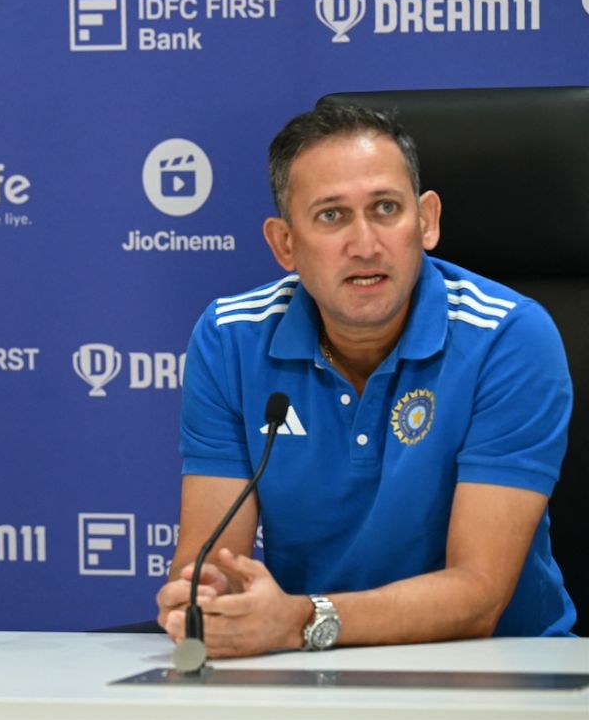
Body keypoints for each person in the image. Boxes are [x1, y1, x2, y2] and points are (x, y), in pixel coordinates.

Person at [156, 102, 576, 656]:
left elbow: (479, 595)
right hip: (309, 668)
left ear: (425, 221)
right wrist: (210, 597)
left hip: (503, 671)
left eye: (385, 208)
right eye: (332, 216)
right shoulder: (230, 340)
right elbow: (213, 558)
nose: (365, 244)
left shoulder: (509, 336)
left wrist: (302, 621)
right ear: (285, 244)